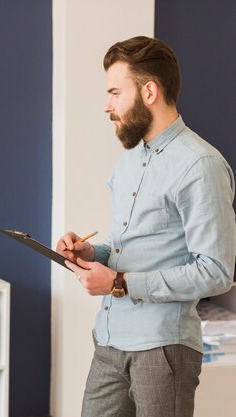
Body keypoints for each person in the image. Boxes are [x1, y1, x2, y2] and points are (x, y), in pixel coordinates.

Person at [56, 36, 236, 417]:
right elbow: (133, 246)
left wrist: (120, 282)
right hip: (109, 341)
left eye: (115, 92)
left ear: (149, 91)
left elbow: (216, 272)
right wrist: (94, 253)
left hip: (163, 349)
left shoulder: (200, 165)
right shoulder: (130, 159)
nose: (108, 106)